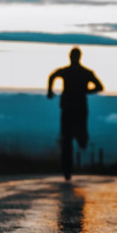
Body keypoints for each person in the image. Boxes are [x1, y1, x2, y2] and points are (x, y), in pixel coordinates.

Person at [48, 47, 104, 180]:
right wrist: (85, 91)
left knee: (67, 138)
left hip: (69, 108)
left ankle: (68, 167)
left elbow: (52, 76)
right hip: (77, 108)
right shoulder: (85, 72)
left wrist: (50, 91)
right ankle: (67, 170)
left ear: (70, 57)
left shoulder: (69, 72)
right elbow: (99, 87)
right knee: (68, 139)